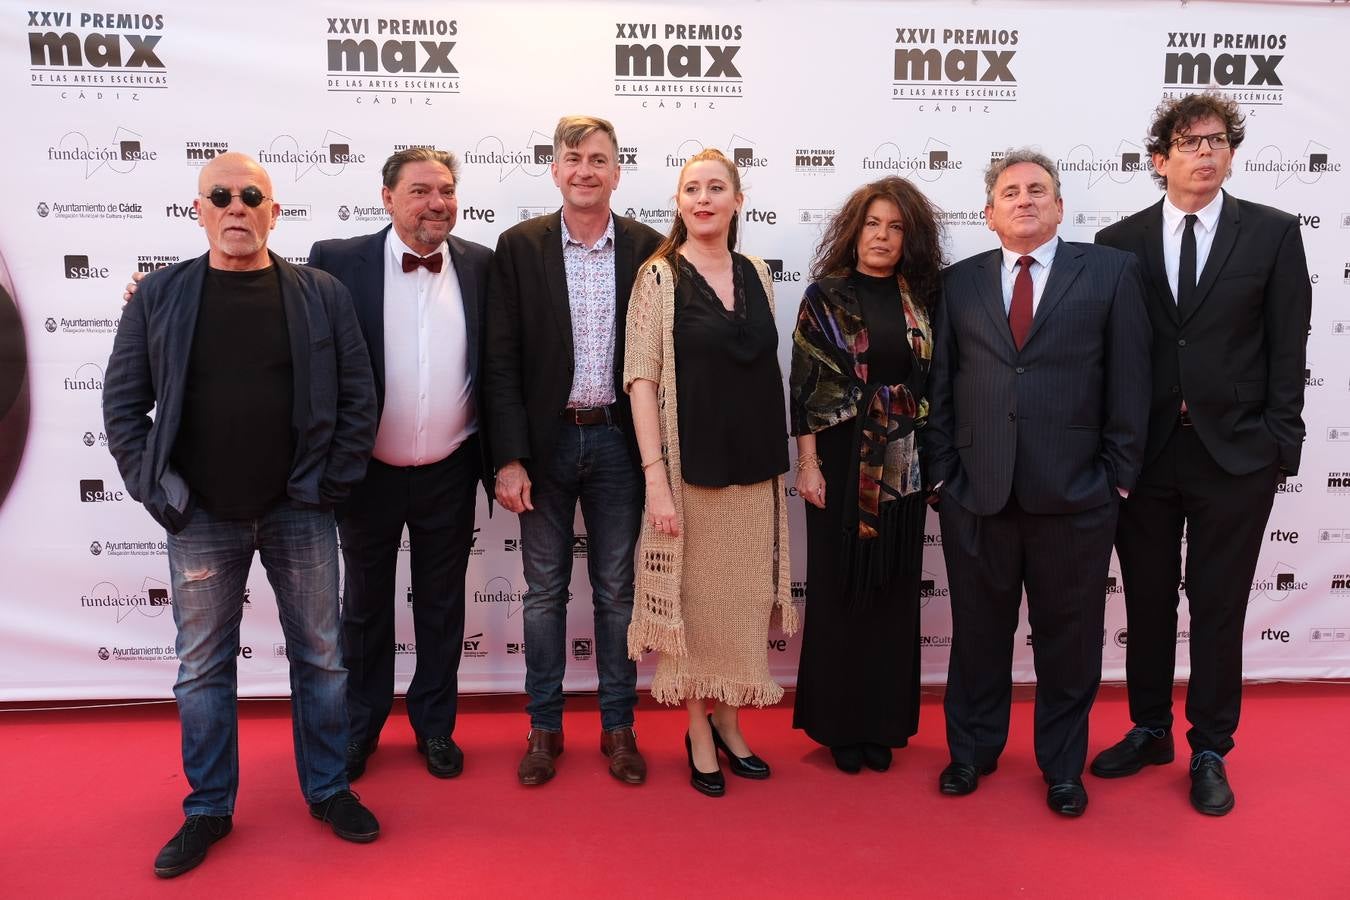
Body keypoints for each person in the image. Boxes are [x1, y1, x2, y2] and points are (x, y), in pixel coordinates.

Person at [102, 153, 380, 877]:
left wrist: (329, 487)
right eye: (220, 195)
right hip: (200, 517)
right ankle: (208, 809)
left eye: (250, 195)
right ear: (198, 210)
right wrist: (158, 492)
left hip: (301, 511)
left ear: (273, 211)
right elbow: (123, 406)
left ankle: (327, 790)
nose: (235, 206)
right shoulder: (159, 296)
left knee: (321, 658)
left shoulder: (320, 294)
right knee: (201, 670)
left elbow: (358, 399)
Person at [1092, 93, 1312, 816]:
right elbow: (1106, 353)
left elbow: (1289, 348)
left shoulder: (1273, 235)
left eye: (1217, 140)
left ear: (1231, 152)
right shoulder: (1118, 242)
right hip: (1145, 455)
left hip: (1236, 457)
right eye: (1189, 143)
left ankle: (1211, 745)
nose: (1206, 153)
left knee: (1218, 607)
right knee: (1149, 602)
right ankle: (1151, 728)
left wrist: (1283, 444)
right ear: (1160, 161)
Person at [924, 149, 1150, 817]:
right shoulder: (958, 283)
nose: (1024, 199)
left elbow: (1130, 382)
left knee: (1070, 642)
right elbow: (941, 386)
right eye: (1010, 192)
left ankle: (1061, 767)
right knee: (978, 637)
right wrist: (943, 475)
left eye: (1038, 190)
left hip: (1077, 497)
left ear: (1059, 206)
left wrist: (1117, 478)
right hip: (978, 496)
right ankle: (971, 752)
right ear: (989, 213)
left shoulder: (1111, 273)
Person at [483, 116, 662, 786]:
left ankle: (619, 729)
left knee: (618, 593)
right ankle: (545, 729)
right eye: (572, 159)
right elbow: (499, 361)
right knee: (543, 594)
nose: (584, 170)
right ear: (554, 170)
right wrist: (508, 457)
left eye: (598, 160)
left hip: (619, 440)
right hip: (543, 444)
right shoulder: (520, 246)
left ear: (617, 172)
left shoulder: (648, 247)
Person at [308, 148, 493, 782]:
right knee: (363, 607)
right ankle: (360, 727)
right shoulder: (336, 261)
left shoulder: (483, 265)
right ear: (387, 198)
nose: (436, 202)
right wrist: (159, 287)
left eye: (445, 190)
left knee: (442, 605)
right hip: (367, 471)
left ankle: (435, 727)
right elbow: (281, 313)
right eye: (419, 191)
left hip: (450, 466)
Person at [624, 148, 796, 798]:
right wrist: (655, 479)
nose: (703, 198)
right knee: (691, 610)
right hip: (689, 474)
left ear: (736, 200)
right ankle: (697, 727)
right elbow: (640, 382)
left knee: (742, 604)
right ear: (678, 202)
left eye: (716, 187)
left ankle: (728, 716)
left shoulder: (756, 271)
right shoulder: (659, 278)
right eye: (691, 188)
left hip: (754, 474)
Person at [788, 176, 944, 774]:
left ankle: (881, 724)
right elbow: (804, 387)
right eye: (873, 224)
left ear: (910, 237)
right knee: (840, 586)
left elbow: (934, 385)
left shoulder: (922, 299)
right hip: (838, 459)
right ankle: (838, 725)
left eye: (896, 226)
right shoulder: (824, 296)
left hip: (903, 464)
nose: (882, 236)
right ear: (854, 231)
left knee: (892, 590)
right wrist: (807, 462)